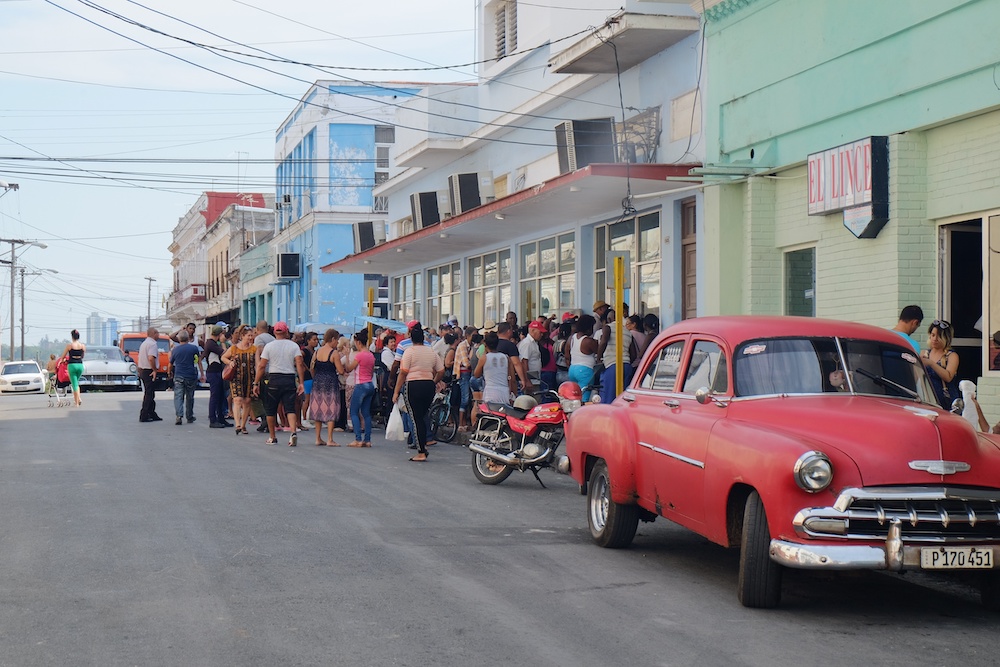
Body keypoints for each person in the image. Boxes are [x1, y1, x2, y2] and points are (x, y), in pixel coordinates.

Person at [393, 323, 444, 462]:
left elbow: (403, 372)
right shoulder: (431, 351)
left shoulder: (409, 352)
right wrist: (434, 381)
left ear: (411, 338)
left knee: (416, 419)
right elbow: (441, 370)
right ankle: (423, 445)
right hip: (428, 385)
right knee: (422, 416)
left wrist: (396, 391)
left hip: (413, 385)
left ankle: (421, 450)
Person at [253, 321, 305, 446]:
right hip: (289, 379)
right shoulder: (293, 346)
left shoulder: (269, 346)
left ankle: (272, 437)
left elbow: (261, 366)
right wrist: (301, 382)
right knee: (290, 408)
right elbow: (299, 364)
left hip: (274, 379)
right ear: (286, 331)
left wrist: (255, 383)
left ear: (274, 332)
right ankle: (293, 432)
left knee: (271, 409)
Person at [310, 328, 347, 446]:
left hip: (318, 381)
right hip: (330, 382)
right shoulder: (334, 353)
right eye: (337, 341)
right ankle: (330, 439)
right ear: (332, 339)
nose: (337, 344)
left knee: (318, 408)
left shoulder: (317, 352)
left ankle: (318, 438)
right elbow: (340, 370)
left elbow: (312, 367)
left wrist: (316, 376)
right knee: (331, 408)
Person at [221, 324, 256, 434]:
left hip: (250, 377)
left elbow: (258, 363)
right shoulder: (234, 348)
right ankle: (237, 424)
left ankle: (243, 425)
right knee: (237, 399)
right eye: (248, 336)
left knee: (247, 401)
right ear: (242, 336)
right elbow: (223, 357)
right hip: (236, 377)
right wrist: (230, 362)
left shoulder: (254, 349)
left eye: (252, 335)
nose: (250, 338)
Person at [345, 330, 376, 447]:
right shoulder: (371, 355)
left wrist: (347, 356)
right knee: (366, 413)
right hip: (370, 384)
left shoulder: (359, 356)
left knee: (354, 411)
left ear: (358, 342)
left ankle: (358, 438)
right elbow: (372, 372)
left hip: (360, 385)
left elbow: (348, 368)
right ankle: (367, 440)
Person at [598, 308, 635, 404]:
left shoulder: (607, 327)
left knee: (608, 399)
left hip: (612, 365)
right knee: (622, 398)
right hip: (626, 366)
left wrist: (598, 358)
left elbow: (603, 342)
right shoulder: (627, 332)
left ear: (609, 319)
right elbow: (633, 354)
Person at [922, 319, 960, 409]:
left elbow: (948, 377)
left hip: (945, 399)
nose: (935, 339)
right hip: (927, 398)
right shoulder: (924, 353)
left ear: (946, 338)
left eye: (939, 336)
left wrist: (931, 363)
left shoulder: (951, 356)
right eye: (933, 335)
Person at [474, 331, 518, 405]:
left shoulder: (484, 358)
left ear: (485, 344)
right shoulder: (506, 358)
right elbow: (512, 379)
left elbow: (476, 374)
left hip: (490, 392)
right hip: (504, 392)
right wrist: (513, 394)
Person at [169, 330, 203, 425]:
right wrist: (202, 374)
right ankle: (189, 416)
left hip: (179, 375)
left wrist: (169, 373)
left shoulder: (175, 350)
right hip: (191, 375)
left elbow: (170, 364)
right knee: (190, 396)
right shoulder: (194, 348)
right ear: (188, 338)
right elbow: (199, 361)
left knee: (178, 396)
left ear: (179, 339)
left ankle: (179, 416)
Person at [567, 314, 599, 402]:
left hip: (572, 369)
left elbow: (567, 355)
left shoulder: (571, 338)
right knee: (584, 398)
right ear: (588, 328)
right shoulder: (588, 341)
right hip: (585, 370)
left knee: (574, 396)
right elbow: (599, 352)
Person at [204, 325, 231, 428]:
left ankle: (220, 418)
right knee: (215, 396)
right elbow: (225, 353)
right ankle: (213, 419)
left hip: (216, 372)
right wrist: (223, 343)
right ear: (220, 334)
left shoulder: (212, 343)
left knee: (220, 396)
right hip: (213, 372)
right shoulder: (211, 344)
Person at [137, 327, 162, 422]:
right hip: (149, 371)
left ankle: (151, 413)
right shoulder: (152, 344)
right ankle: (144, 415)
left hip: (143, 370)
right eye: (158, 333)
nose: (158, 335)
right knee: (149, 394)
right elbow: (151, 358)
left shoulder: (144, 343)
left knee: (150, 392)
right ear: (154, 333)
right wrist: (154, 370)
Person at [497, 322, 530, 392]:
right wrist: (523, 379)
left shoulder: (493, 344)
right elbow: (516, 363)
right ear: (508, 331)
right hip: (507, 377)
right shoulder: (510, 345)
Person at [59, 329, 86, 407]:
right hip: (80, 366)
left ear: (72, 337)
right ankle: (79, 398)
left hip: (72, 365)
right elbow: (83, 356)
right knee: (76, 383)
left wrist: (63, 360)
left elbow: (63, 356)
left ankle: (76, 402)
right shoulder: (83, 346)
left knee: (74, 384)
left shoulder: (69, 346)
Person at [298, 331, 319, 429]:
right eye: (314, 340)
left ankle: (310, 416)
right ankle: (304, 417)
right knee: (307, 398)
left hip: (313, 376)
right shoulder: (305, 351)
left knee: (312, 398)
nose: (316, 342)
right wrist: (306, 368)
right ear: (308, 340)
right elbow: (299, 359)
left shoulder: (315, 351)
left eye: (317, 340)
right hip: (307, 376)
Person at [518, 320, 544, 391]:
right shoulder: (527, 343)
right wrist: (527, 380)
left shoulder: (533, 343)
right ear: (533, 330)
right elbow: (524, 362)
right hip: (531, 381)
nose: (542, 334)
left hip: (534, 380)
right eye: (540, 332)